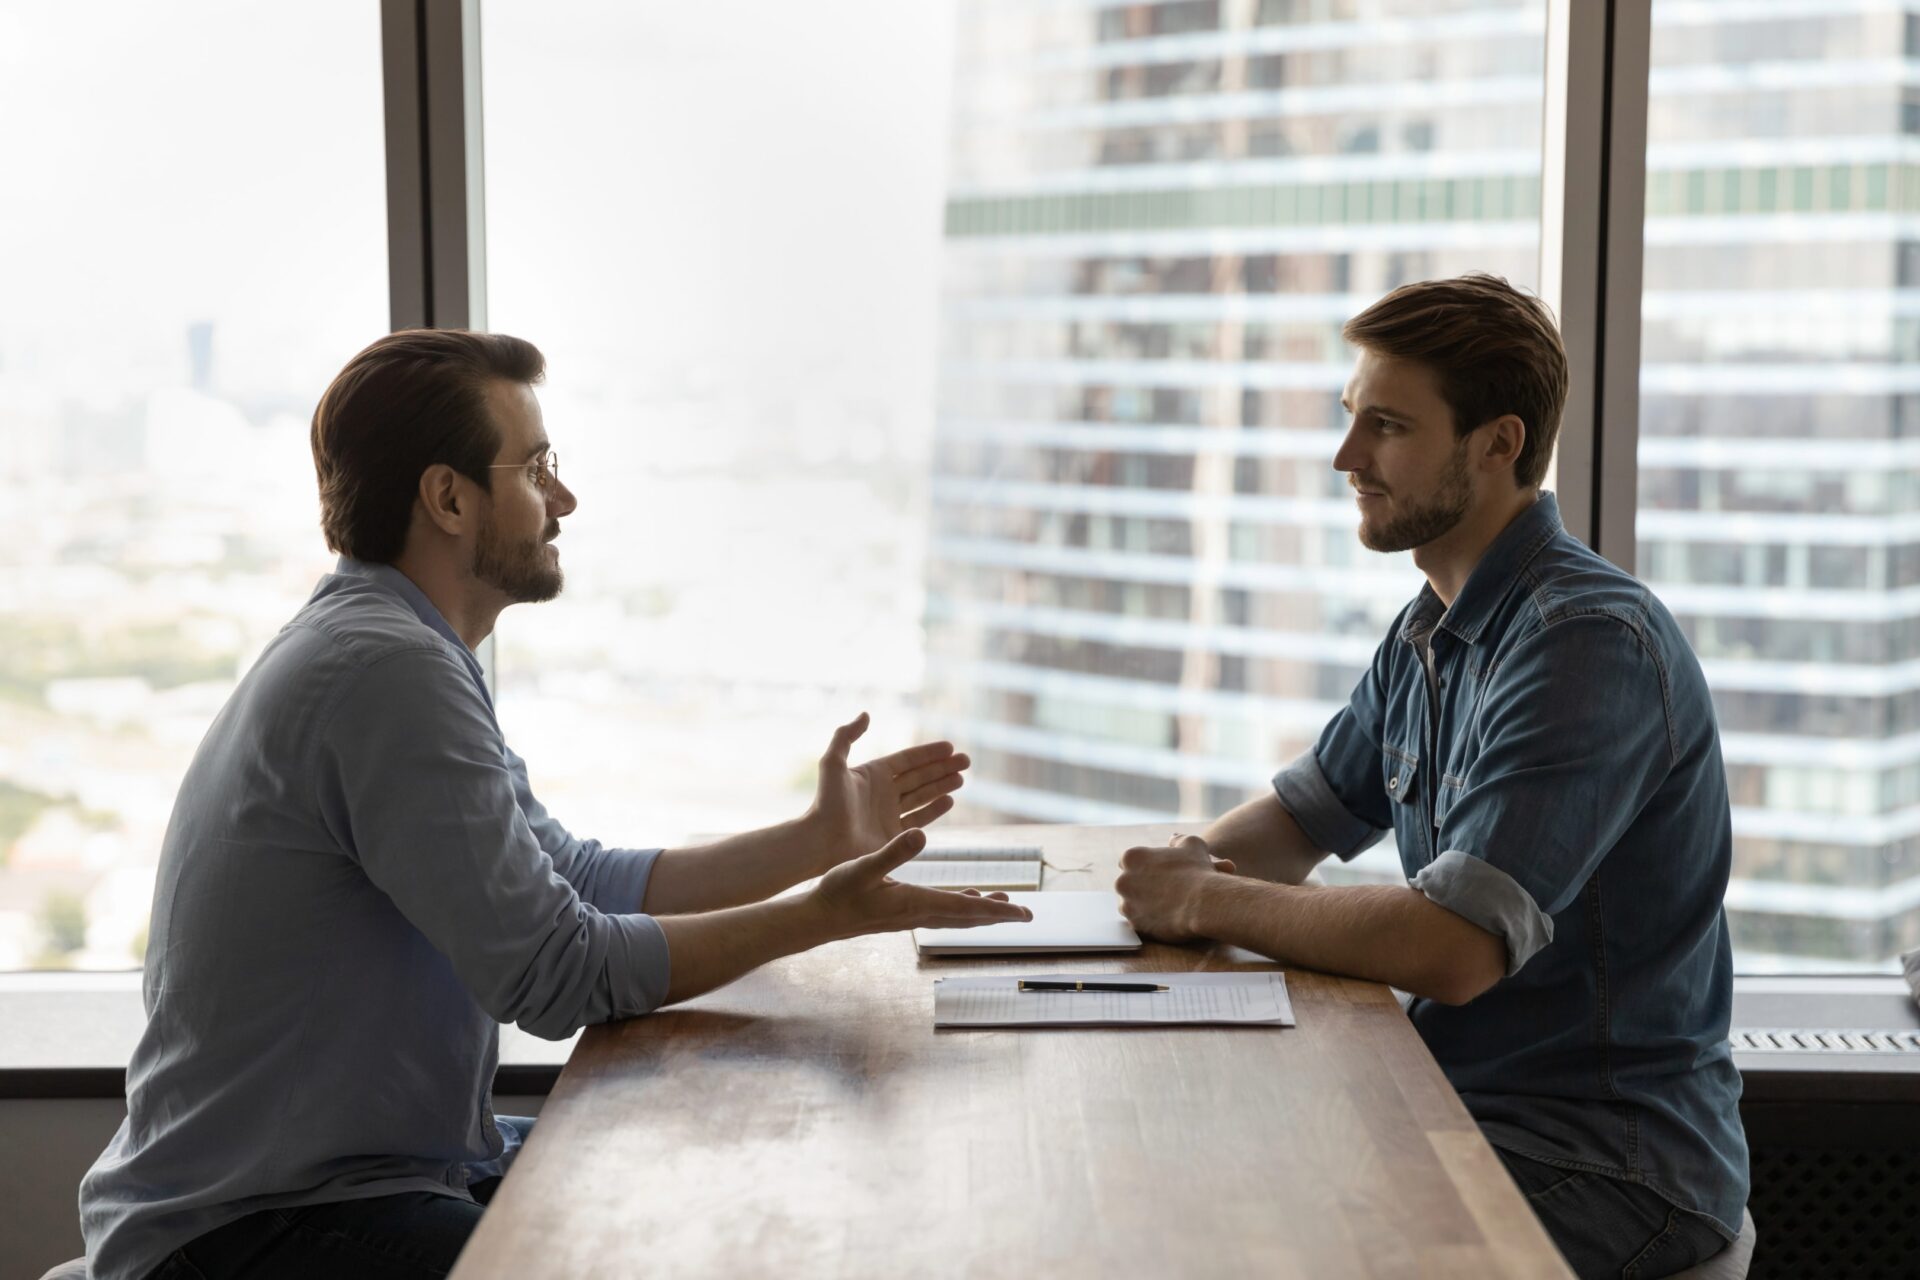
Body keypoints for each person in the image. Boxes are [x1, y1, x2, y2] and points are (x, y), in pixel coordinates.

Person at [78, 329, 1029, 1280]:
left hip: (382, 1177)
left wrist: (814, 843)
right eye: (537, 467)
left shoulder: (399, 646)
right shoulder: (386, 672)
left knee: (705, 1166)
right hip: (252, 1229)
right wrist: (819, 918)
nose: (564, 498)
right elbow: (557, 975)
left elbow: (575, 879)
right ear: (448, 497)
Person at [1113, 275, 1749, 1279]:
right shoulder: (1430, 629)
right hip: (1458, 1103)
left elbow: (1453, 948)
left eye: (1386, 427)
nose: (1346, 458)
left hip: (1604, 1165)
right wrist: (1152, 879)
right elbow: (1298, 816)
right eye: (1348, 420)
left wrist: (1200, 898)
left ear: (1497, 442)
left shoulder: (1585, 644)